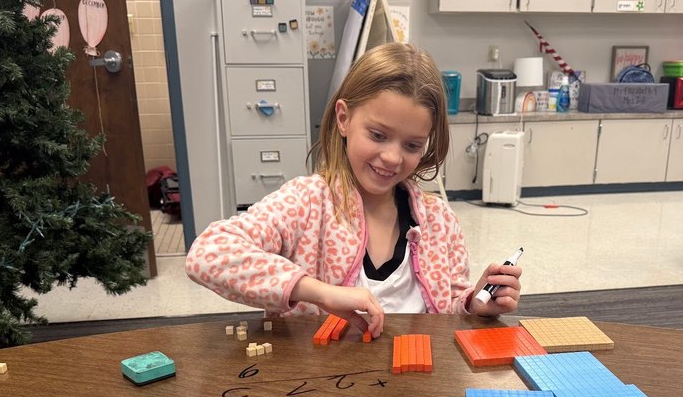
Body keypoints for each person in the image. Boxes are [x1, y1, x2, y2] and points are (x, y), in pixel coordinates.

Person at [185, 42, 522, 338]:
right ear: (344, 119)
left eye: (412, 145)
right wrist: (318, 292)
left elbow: (447, 313)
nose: (392, 157)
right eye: (377, 135)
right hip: (320, 383)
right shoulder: (306, 202)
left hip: (415, 385)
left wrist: (474, 304)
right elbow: (207, 255)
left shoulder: (439, 220)